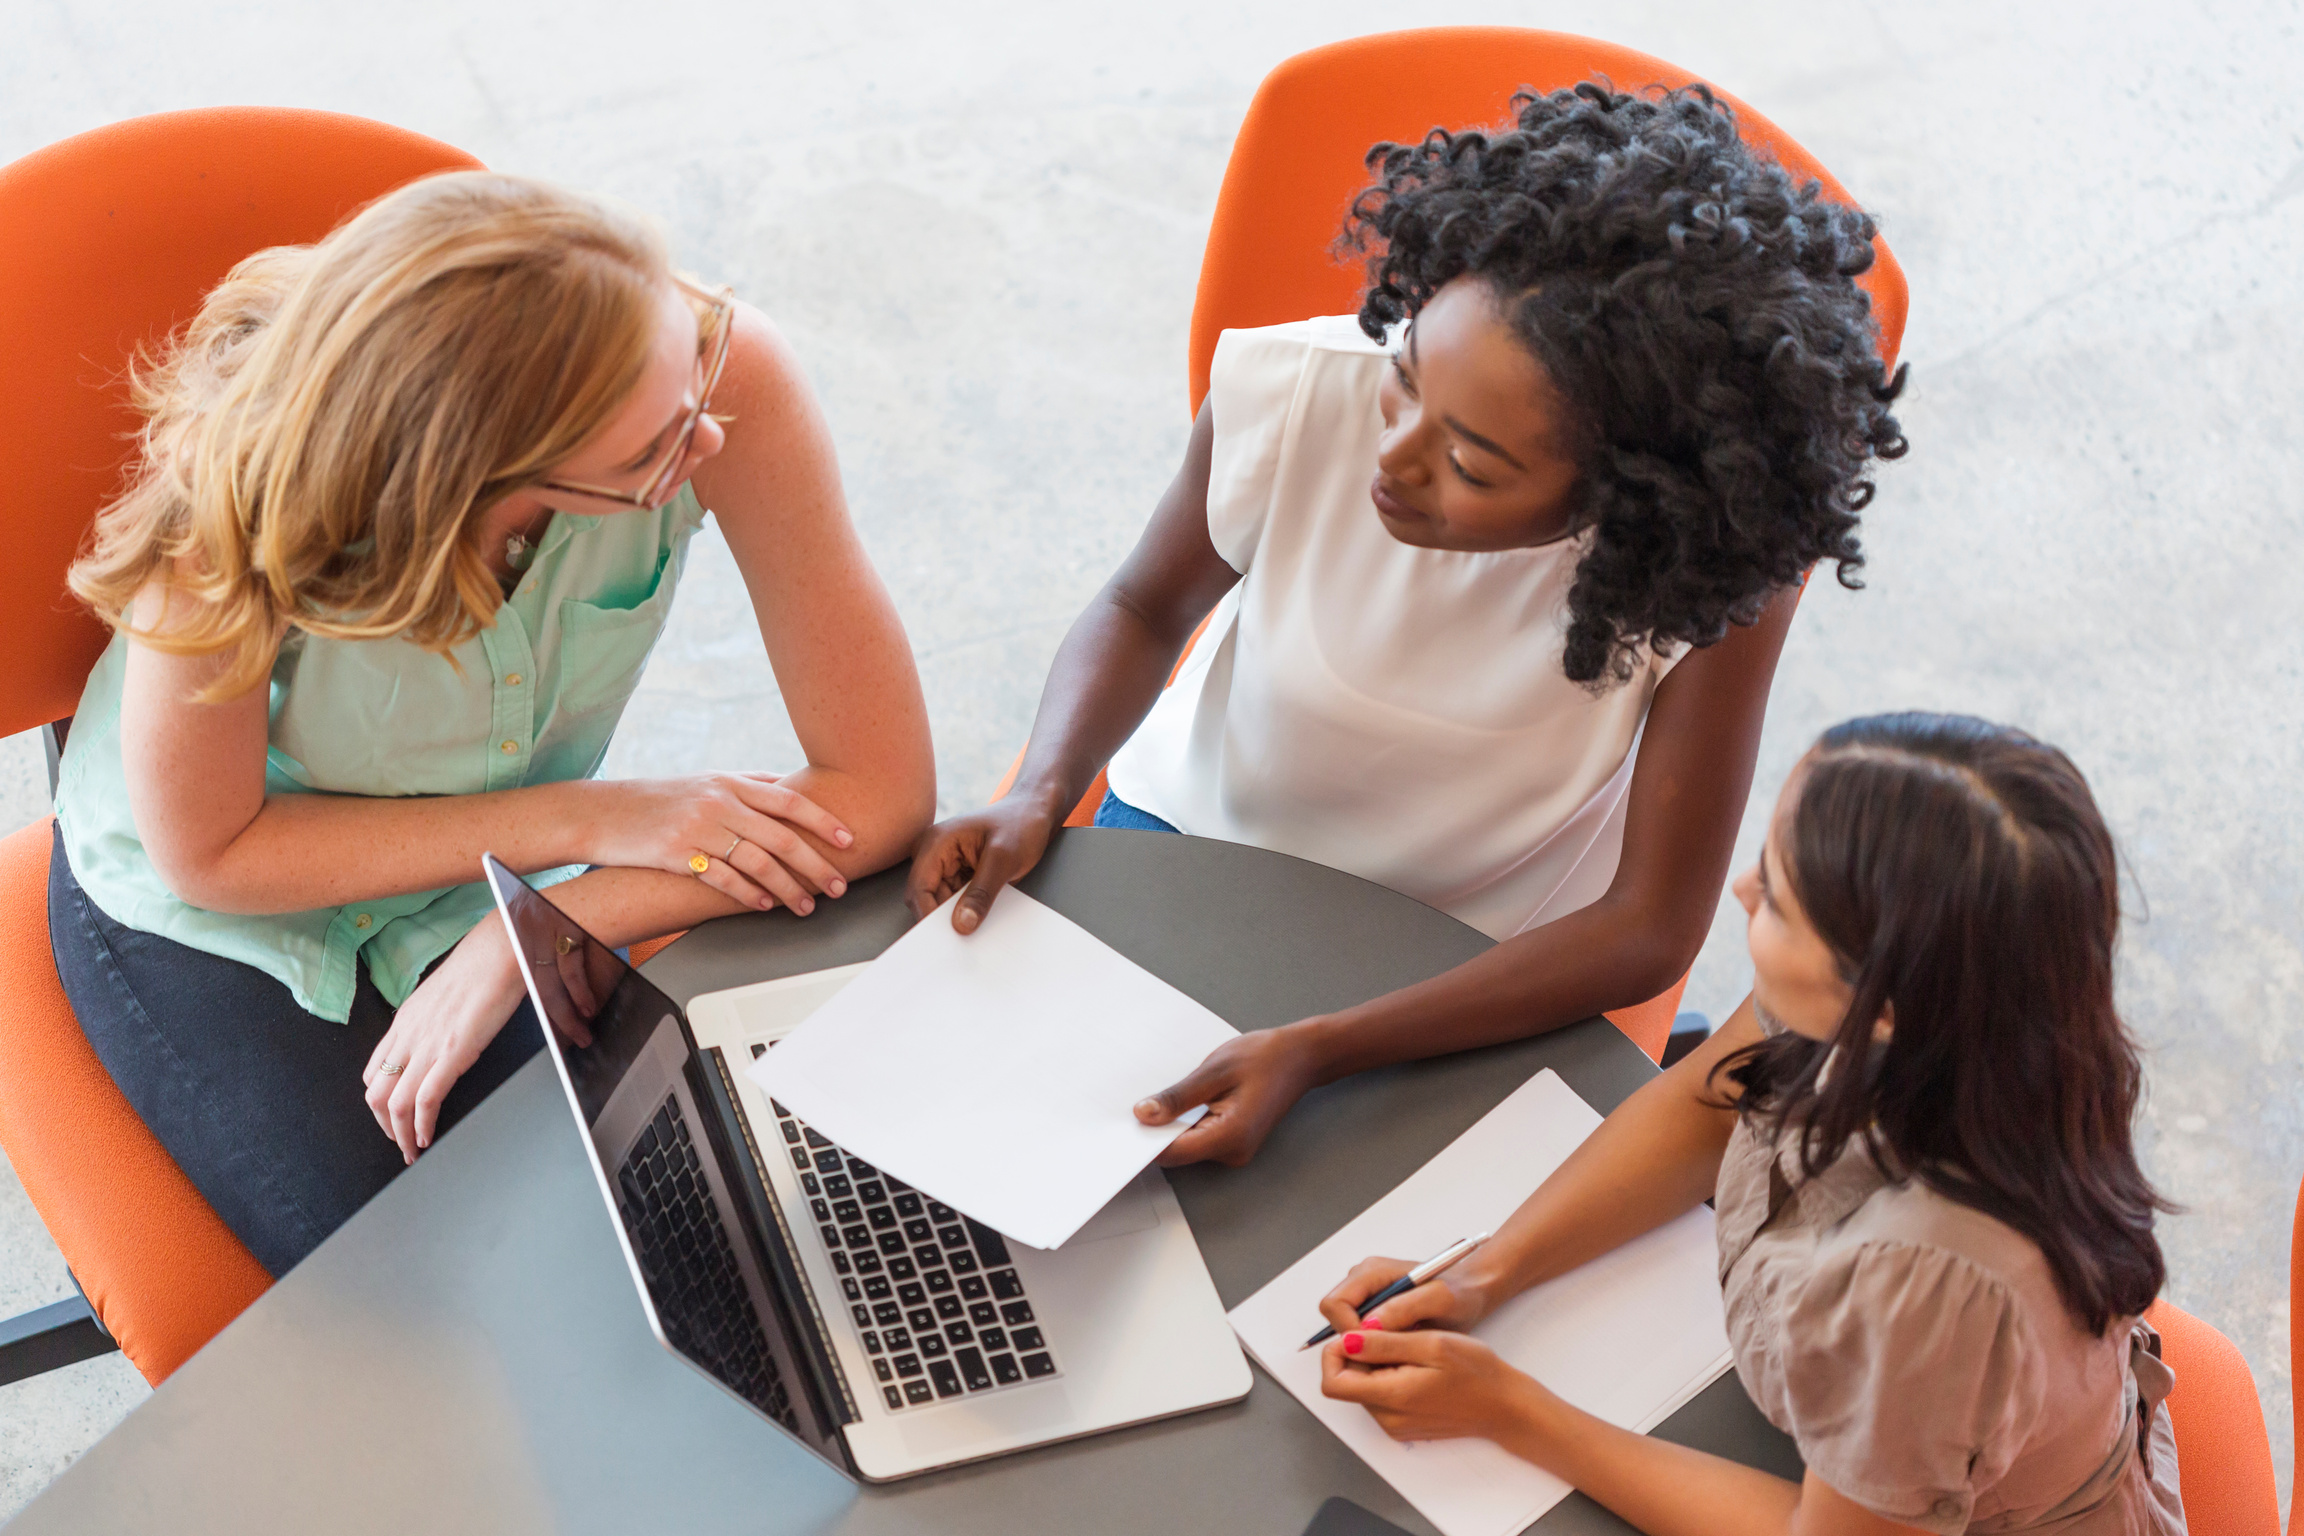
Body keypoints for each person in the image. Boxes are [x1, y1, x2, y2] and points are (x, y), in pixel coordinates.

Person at [907, 84, 1907, 1166]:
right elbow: (1142, 606)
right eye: (1404, 379)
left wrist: (1323, 1048)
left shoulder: (1707, 574)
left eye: (1471, 461)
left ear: (1628, 499)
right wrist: (1042, 787)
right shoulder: (1297, 394)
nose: (1392, 455)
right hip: (1195, 844)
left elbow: (1650, 927)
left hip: (1484, 957)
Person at [48, 172, 934, 1276]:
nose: (707, 441)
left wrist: (531, 935)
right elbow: (211, 852)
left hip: (477, 887)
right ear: (476, 477)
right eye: (647, 460)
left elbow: (881, 788)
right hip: (218, 902)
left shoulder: (712, 371)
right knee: (427, 1311)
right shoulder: (240, 497)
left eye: (689, 375)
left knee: (665, 1253)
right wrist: (583, 821)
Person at [1315, 713, 2185, 1536]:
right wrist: (1488, 1271)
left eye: (1775, 895)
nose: (1740, 889)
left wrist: (1511, 1410)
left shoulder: (1933, 1277)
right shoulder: (1965, 1001)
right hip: (1871, 1432)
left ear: (1881, 999)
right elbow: (1709, 1105)